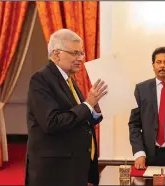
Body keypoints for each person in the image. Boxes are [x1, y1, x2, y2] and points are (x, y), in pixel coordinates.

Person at [25, 29, 107, 186]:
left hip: (72, 165)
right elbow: (52, 123)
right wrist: (87, 104)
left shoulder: (69, 79)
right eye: (75, 53)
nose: (80, 59)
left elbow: (77, 118)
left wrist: (94, 109)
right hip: (54, 171)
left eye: (81, 53)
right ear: (56, 55)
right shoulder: (41, 79)